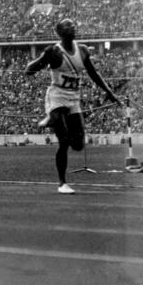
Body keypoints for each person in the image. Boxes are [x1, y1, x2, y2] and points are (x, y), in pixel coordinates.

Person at [25, 18, 121, 194]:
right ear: (60, 32)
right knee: (64, 141)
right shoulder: (54, 51)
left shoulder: (82, 50)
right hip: (57, 96)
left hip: (74, 99)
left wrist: (109, 92)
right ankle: (62, 183)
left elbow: (93, 73)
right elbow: (29, 70)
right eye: (67, 26)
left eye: (73, 25)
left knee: (77, 145)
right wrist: (42, 59)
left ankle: (51, 119)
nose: (72, 28)